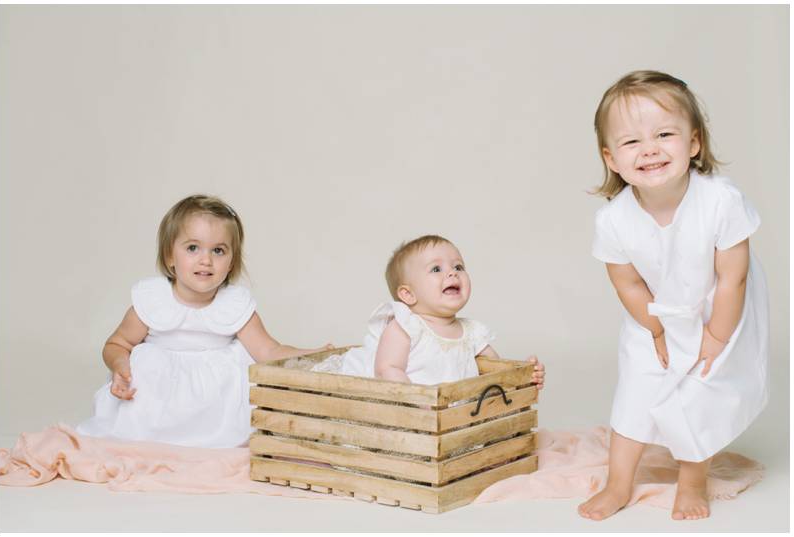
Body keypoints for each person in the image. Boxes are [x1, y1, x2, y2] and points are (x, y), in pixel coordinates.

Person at [580, 70, 769, 521]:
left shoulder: (720, 201)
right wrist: (655, 328)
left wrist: (717, 337)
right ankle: (618, 483)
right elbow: (628, 283)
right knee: (635, 391)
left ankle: (692, 481)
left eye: (664, 134)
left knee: (698, 395)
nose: (649, 149)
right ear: (611, 158)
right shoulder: (614, 221)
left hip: (720, 305)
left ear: (694, 143)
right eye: (631, 143)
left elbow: (732, 278)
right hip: (654, 311)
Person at [76, 195, 331, 448]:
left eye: (218, 251)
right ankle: (152, 435)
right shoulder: (152, 302)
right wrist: (121, 365)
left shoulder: (235, 306)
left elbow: (269, 351)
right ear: (169, 257)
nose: (205, 260)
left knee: (241, 370)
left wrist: (310, 355)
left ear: (231, 263)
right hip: (160, 399)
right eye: (192, 248)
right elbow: (117, 344)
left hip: (216, 403)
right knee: (146, 363)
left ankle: (214, 439)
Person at [313, 234, 545, 388]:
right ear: (408, 295)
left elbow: (494, 369)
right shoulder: (406, 327)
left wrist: (522, 375)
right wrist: (418, 404)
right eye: (436, 269)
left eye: (458, 267)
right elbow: (387, 369)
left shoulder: (472, 332)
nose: (452, 273)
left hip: (448, 419)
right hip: (410, 413)